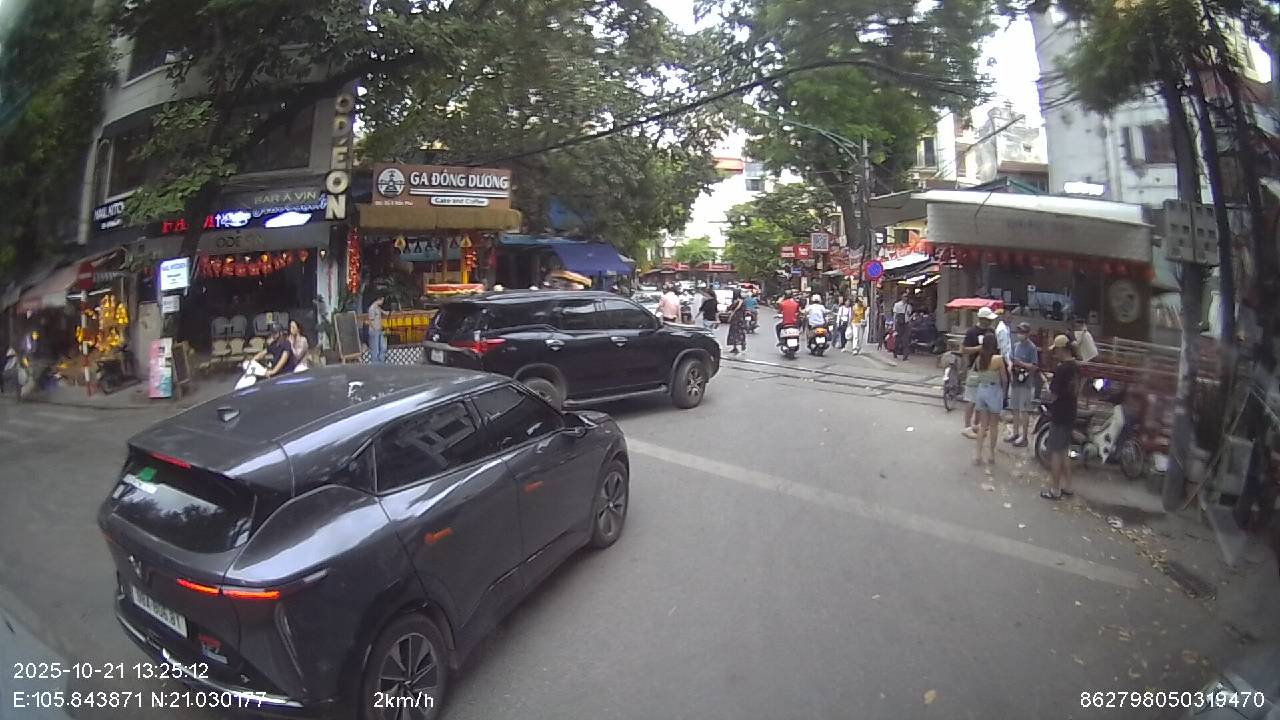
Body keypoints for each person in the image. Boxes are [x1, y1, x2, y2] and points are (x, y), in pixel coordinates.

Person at [1042, 335, 1080, 500]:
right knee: (1064, 451)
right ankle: (1068, 487)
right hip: (1071, 412)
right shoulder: (1075, 367)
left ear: (1061, 349)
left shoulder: (1061, 369)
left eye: (1056, 350)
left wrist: (1046, 386)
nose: (1054, 353)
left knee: (1056, 453)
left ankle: (1055, 489)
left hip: (1059, 414)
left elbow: (1053, 395)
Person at [970, 333, 1008, 465]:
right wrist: (1004, 394)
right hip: (994, 391)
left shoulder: (979, 359)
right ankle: (991, 455)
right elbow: (1004, 379)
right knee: (993, 426)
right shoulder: (998, 359)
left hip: (981, 391)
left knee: (983, 426)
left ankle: (978, 454)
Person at [961, 307, 997, 439]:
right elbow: (964, 349)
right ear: (982, 319)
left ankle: (977, 425)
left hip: (988, 369)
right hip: (974, 369)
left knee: (981, 400)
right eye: (988, 319)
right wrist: (978, 349)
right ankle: (967, 426)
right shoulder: (971, 332)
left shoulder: (991, 332)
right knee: (971, 399)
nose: (990, 322)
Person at [1005, 322, 1040, 447]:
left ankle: (1024, 436)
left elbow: (1034, 366)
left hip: (1026, 383)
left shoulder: (1032, 348)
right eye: (1019, 331)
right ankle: (1015, 433)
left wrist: (1022, 364)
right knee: (1014, 408)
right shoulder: (1015, 346)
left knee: (1024, 410)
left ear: (1028, 334)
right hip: (1015, 381)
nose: (1020, 334)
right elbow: (1010, 359)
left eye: (1023, 332)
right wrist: (1011, 367)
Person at [726, 289, 747, 354]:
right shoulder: (742, 301)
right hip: (741, 319)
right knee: (741, 332)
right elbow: (744, 310)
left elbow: (730, 309)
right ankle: (742, 343)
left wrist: (729, 312)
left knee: (734, 333)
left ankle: (735, 347)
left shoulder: (735, 301)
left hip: (735, 319)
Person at [366, 295, 387, 364]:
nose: (382, 302)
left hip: (379, 330)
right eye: (382, 300)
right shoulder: (372, 308)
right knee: (375, 349)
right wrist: (375, 329)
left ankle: (381, 362)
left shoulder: (378, 308)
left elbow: (384, 312)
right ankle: (375, 364)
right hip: (374, 331)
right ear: (379, 299)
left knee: (383, 347)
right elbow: (371, 320)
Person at [892, 291, 911, 360]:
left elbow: (908, 315)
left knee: (906, 340)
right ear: (901, 297)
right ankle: (895, 352)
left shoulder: (908, 306)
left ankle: (905, 356)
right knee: (898, 340)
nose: (906, 298)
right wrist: (894, 326)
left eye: (907, 297)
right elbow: (895, 316)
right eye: (904, 296)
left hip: (906, 324)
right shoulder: (897, 305)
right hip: (899, 325)